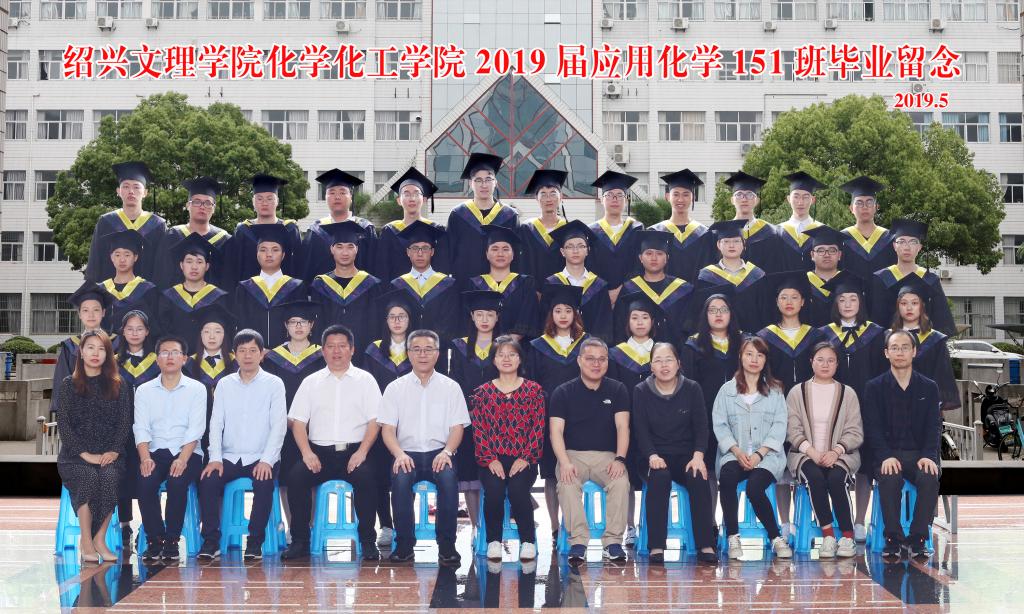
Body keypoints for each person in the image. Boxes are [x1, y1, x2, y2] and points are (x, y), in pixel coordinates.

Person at [282, 324, 382, 561]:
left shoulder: (366, 380)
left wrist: (362, 452)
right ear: (323, 351)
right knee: (296, 478)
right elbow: (297, 422)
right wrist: (307, 453)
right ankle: (300, 541)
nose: (336, 351)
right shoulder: (311, 382)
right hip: (319, 453)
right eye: (331, 346)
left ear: (352, 349)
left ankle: (368, 540)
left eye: (342, 346)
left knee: (368, 478)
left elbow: (375, 421)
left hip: (355, 452)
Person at [379, 330, 471, 566]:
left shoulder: (451, 387)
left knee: (448, 479)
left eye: (428, 349)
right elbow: (387, 429)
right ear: (408, 353)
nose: (422, 354)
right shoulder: (395, 388)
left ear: (437, 354)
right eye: (417, 349)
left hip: (440, 453)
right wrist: (398, 454)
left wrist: (447, 452)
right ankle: (404, 544)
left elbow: (457, 427)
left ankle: (447, 545)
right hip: (406, 453)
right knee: (400, 480)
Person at [197, 329, 288, 561]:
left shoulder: (274, 384)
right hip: (229, 456)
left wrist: (267, 460)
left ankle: (255, 542)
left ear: (262, 354)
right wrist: (215, 458)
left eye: (253, 350)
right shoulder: (225, 384)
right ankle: (211, 541)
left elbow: (279, 426)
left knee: (264, 482)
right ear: (234, 354)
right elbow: (216, 423)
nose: (247, 356)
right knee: (208, 480)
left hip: (261, 455)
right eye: (242, 351)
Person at [632, 342, 718, 564]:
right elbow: (640, 430)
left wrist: (698, 456)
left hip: (686, 455)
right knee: (659, 478)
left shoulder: (692, 388)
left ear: (678, 363)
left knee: (698, 476)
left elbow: (701, 427)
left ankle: (706, 544)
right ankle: (656, 547)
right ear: (651, 366)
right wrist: (652, 455)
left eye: (669, 360)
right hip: (654, 455)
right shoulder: (641, 391)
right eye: (658, 361)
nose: (664, 365)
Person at [549, 337, 631, 564]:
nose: (596, 364)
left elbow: (623, 427)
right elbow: (555, 431)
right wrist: (564, 462)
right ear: (579, 361)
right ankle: (578, 542)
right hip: (572, 455)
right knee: (567, 483)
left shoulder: (617, 389)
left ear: (607, 362)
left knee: (620, 482)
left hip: (607, 457)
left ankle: (613, 542)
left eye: (602, 359)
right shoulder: (563, 392)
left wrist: (620, 459)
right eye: (590, 359)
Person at [818, 275, 887, 541]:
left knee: (865, 465)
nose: (847, 304)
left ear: (861, 302)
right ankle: (837, 518)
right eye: (842, 299)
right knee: (833, 463)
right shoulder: (823, 333)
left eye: (853, 299)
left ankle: (859, 521)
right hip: (832, 408)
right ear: (835, 303)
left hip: (867, 407)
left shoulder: (876, 334)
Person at [54, 330, 133, 563]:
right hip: (75, 456)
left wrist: (114, 451)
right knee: (88, 477)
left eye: (101, 349)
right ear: (81, 351)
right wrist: (86, 455)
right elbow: (64, 425)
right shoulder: (68, 385)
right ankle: (86, 540)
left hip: (110, 454)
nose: (95, 353)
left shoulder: (119, 384)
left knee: (109, 477)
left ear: (108, 354)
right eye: (90, 347)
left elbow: (124, 423)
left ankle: (99, 538)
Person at [862, 330, 941, 559]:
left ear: (914, 352)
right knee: (890, 477)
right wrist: (885, 455)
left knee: (929, 476)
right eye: (894, 348)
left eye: (905, 347)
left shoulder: (929, 387)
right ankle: (893, 539)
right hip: (888, 454)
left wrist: (928, 455)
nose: (900, 352)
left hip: (919, 454)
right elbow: (873, 428)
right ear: (886, 353)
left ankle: (918, 538)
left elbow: (933, 427)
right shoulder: (874, 387)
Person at [712, 336, 793, 559]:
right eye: (749, 354)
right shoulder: (727, 390)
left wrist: (759, 454)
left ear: (765, 359)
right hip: (734, 454)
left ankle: (776, 537)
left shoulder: (775, 391)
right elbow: (720, 424)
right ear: (741, 357)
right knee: (727, 478)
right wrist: (737, 451)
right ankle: (733, 537)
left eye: (759, 355)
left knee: (755, 488)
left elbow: (780, 426)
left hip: (767, 457)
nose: (754, 359)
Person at [469, 335, 545, 562]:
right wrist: (490, 459)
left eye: (512, 354)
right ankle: (493, 541)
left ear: (520, 359)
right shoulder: (482, 393)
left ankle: (528, 541)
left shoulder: (533, 391)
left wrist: (526, 457)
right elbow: (479, 429)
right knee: (493, 491)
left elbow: (538, 427)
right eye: (501, 355)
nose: (506, 359)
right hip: (492, 459)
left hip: (523, 458)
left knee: (518, 490)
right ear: (493, 360)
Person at [785, 341, 863, 559]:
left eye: (831, 360)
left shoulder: (847, 393)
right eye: (820, 359)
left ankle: (847, 537)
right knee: (815, 478)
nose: (825, 364)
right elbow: (792, 430)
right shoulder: (797, 392)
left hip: (841, 455)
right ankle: (828, 537)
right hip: (804, 454)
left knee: (837, 479)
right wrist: (813, 453)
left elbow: (855, 431)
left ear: (837, 364)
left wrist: (835, 452)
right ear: (811, 362)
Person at [133, 334, 207, 561]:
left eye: (175, 352)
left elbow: (196, 429)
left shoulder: (197, 389)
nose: (170, 357)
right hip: (155, 452)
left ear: (184, 358)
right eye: (164, 353)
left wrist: (183, 459)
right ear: (157, 359)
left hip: (187, 452)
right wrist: (145, 458)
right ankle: (155, 539)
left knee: (177, 482)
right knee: (145, 482)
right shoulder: (144, 390)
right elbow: (141, 427)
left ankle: (172, 540)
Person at [527, 284, 591, 539]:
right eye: (557, 311)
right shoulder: (538, 346)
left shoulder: (587, 344)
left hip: (581, 417)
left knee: (575, 472)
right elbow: (532, 383)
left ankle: (573, 525)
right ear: (550, 315)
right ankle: (555, 527)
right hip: (548, 417)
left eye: (568, 310)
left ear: (576, 314)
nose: (563, 316)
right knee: (552, 475)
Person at [680, 286, 746, 505]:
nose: (718, 314)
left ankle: (731, 519)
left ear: (731, 314)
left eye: (723, 310)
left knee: (733, 467)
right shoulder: (694, 345)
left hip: (740, 415)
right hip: (705, 416)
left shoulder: (744, 342)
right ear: (705, 315)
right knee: (707, 467)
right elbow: (688, 385)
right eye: (713, 310)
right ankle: (710, 519)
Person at [261, 301, 325, 524]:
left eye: (303, 322)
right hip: (283, 427)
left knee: (313, 475)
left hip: (314, 427)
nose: (298, 326)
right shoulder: (273, 358)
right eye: (293, 322)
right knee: (286, 477)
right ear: (286, 326)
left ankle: (311, 525)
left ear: (311, 325)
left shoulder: (321, 356)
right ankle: (292, 525)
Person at [363, 290, 416, 552]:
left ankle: (405, 524)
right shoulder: (374, 350)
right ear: (386, 320)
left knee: (406, 473)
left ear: (409, 320)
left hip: (412, 421)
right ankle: (386, 524)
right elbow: (367, 387)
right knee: (380, 476)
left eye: (402, 316)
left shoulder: (418, 348)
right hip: (381, 422)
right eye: (392, 316)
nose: (397, 321)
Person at [608, 293, 664, 545]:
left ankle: (650, 526)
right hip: (625, 425)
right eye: (634, 318)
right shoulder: (617, 354)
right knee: (627, 476)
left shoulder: (662, 352)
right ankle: (629, 526)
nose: (640, 322)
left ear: (653, 321)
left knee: (654, 476)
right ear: (627, 322)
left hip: (657, 425)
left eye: (645, 317)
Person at [447, 291, 503, 538]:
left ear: (497, 317)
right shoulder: (459, 346)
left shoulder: (504, 346)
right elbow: (455, 381)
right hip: (468, 419)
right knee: (470, 474)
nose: (484, 319)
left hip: (499, 420)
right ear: (472, 316)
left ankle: (496, 525)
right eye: (479, 314)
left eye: (489, 314)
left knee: (495, 473)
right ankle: (475, 526)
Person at [869, 218, 956, 336]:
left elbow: (941, 320)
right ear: (894, 246)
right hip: (890, 343)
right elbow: (876, 320)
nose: (907, 247)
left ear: (919, 247)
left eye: (913, 242)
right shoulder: (881, 278)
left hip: (924, 342)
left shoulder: (930, 280)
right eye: (901, 241)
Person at [308, 220, 384, 354]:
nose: (345, 252)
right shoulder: (320, 285)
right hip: (330, 356)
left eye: (350, 247)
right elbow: (317, 328)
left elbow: (376, 327)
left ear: (357, 249)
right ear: (332, 249)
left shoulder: (371, 285)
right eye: (339, 247)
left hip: (363, 355)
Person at [446, 153, 519, 287]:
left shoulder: (509, 216)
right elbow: (449, 252)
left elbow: (516, 254)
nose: (484, 185)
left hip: (500, 285)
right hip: (463, 283)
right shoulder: (458, 214)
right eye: (478, 180)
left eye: (488, 179)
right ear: (471, 184)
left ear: (495, 183)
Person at [887, 279, 961, 412]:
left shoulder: (935, 340)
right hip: (892, 406)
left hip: (926, 406)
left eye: (914, 303)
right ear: (898, 307)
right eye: (904, 303)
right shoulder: (887, 337)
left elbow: (942, 377)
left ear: (922, 306)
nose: (909, 308)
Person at [87, 161, 167, 283]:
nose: (131, 191)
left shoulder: (157, 225)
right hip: (111, 292)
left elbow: (163, 267)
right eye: (126, 186)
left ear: (145, 193)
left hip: (147, 293)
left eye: (136, 187)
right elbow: (95, 263)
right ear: (118, 191)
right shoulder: (106, 222)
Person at [232, 223, 308, 350]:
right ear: (257, 254)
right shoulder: (244, 288)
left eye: (275, 249)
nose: (269, 254)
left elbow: (300, 326)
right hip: (253, 355)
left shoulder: (296, 287)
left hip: (288, 355)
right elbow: (240, 326)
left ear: (283, 255)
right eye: (263, 250)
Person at [616, 230, 694, 348]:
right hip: (637, 353)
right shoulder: (629, 288)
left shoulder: (683, 289)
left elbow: (689, 326)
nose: (654, 258)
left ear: (667, 258)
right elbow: (619, 325)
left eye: (659, 253)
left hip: (674, 353)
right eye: (648, 253)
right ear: (640, 258)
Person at [154, 177, 232, 288]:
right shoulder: (172, 236)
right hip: (174, 298)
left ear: (214, 208)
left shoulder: (225, 241)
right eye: (196, 202)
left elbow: (229, 281)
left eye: (208, 203)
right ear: (187, 205)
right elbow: (161, 277)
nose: (202, 207)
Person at [227, 174, 303, 285]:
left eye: (269, 198)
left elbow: (298, 266)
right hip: (249, 292)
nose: (264, 203)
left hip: (284, 291)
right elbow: (235, 267)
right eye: (259, 198)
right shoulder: (243, 230)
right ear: (253, 202)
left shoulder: (290, 229)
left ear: (277, 201)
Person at [303, 169, 377, 283]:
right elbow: (306, 269)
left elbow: (374, 266)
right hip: (322, 291)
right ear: (325, 197)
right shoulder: (315, 230)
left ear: (351, 197)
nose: (337, 197)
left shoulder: (365, 228)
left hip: (360, 291)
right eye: (332, 193)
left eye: (342, 193)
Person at [390, 220, 460, 341]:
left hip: (438, 349)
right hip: (407, 349)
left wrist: (430, 345)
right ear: (408, 252)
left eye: (425, 248)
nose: (420, 253)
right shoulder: (397, 285)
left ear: (432, 252)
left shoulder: (447, 285)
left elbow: (450, 323)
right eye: (415, 248)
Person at [756, 271, 825, 393]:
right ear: (777, 302)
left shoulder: (815, 336)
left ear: (802, 302)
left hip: (810, 396)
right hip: (775, 397)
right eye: (783, 297)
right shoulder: (765, 337)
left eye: (794, 297)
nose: (789, 302)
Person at [375, 168, 448, 283]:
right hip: (397, 292)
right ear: (399, 200)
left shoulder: (436, 229)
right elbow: (383, 270)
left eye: (416, 193)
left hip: (430, 291)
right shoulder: (389, 231)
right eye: (406, 194)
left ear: (424, 199)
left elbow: (442, 266)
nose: (412, 198)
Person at [545, 220, 613, 343]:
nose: (575, 251)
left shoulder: (599, 285)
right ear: (562, 252)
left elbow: (603, 325)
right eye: (570, 246)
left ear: (588, 250)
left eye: (581, 246)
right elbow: (545, 321)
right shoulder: (552, 283)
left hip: (591, 350)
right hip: (558, 348)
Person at [468, 225, 540, 340]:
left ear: (513, 254)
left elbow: (528, 317)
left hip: (518, 348)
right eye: (494, 249)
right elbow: (470, 323)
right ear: (487, 254)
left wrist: (507, 343)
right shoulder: (475, 284)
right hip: (483, 347)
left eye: (505, 249)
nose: (500, 254)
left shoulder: (526, 283)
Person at [157, 233, 230, 345]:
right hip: (176, 354)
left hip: (206, 354)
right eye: (189, 261)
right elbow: (164, 332)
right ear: (181, 265)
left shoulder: (218, 297)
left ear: (207, 266)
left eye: (199, 262)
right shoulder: (168, 297)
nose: (194, 267)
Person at [697, 219, 769, 333]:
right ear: (718, 245)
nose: (731, 245)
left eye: (736, 241)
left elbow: (765, 312)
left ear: (744, 244)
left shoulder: (757, 275)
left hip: (752, 338)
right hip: (718, 338)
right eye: (726, 241)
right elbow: (702, 312)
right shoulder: (707, 276)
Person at [186, 303, 236, 456]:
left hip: (230, 424)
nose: (212, 336)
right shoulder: (188, 364)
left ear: (224, 335)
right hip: (197, 424)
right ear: (200, 334)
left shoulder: (236, 363)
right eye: (207, 331)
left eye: (217, 331)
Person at [587, 170, 645, 302]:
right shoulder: (591, 231)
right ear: (602, 200)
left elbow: (639, 265)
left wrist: (620, 290)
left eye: (620, 195)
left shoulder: (636, 229)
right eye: (609, 195)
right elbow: (589, 266)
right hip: (598, 296)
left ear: (626, 200)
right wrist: (604, 292)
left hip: (630, 296)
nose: (615, 199)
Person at [54, 283, 113, 409]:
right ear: (79, 314)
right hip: (78, 409)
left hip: (110, 409)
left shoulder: (116, 343)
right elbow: (61, 381)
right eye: (85, 310)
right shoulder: (70, 346)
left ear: (103, 312)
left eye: (96, 310)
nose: (91, 315)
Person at [650, 169, 714, 284]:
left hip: (697, 292)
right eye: (676, 194)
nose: (680, 199)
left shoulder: (705, 234)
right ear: (667, 196)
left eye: (686, 194)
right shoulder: (655, 232)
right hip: (664, 293)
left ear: (693, 197)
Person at [97, 230, 160, 335]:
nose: (122, 260)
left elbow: (154, 327)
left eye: (127, 255)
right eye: (117, 255)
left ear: (135, 257)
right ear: (111, 257)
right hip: (106, 344)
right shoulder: (101, 289)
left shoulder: (148, 290)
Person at [838, 176, 895, 281]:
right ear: (851, 208)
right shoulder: (841, 238)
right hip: (852, 291)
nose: (864, 207)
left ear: (876, 207)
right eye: (859, 203)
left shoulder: (890, 238)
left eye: (869, 202)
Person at [724, 171, 782, 274]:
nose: (744, 199)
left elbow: (776, 267)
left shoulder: (771, 233)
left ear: (757, 200)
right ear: (732, 200)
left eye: (749, 195)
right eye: (739, 194)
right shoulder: (721, 232)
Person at [518, 169, 569, 283]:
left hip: (562, 289)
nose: (548, 199)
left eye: (553, 193)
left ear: (561, 197)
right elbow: (522, 263)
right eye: (543, 194)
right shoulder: (526, 229)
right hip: (532, 290)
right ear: (536, 198)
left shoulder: (568, 228)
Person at [774, 171, 826, 272]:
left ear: (813, 200)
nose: (800, 202)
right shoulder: (777, 231)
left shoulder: (823, 231)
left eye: (805, 197)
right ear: (788, 199)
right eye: (796, 196)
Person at [801, 226, 849, 328]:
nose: (826, 255)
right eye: (820, 250)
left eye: (832, 250)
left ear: (839, 255)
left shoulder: (848, 281)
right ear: (812, 255)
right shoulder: (802, 283)